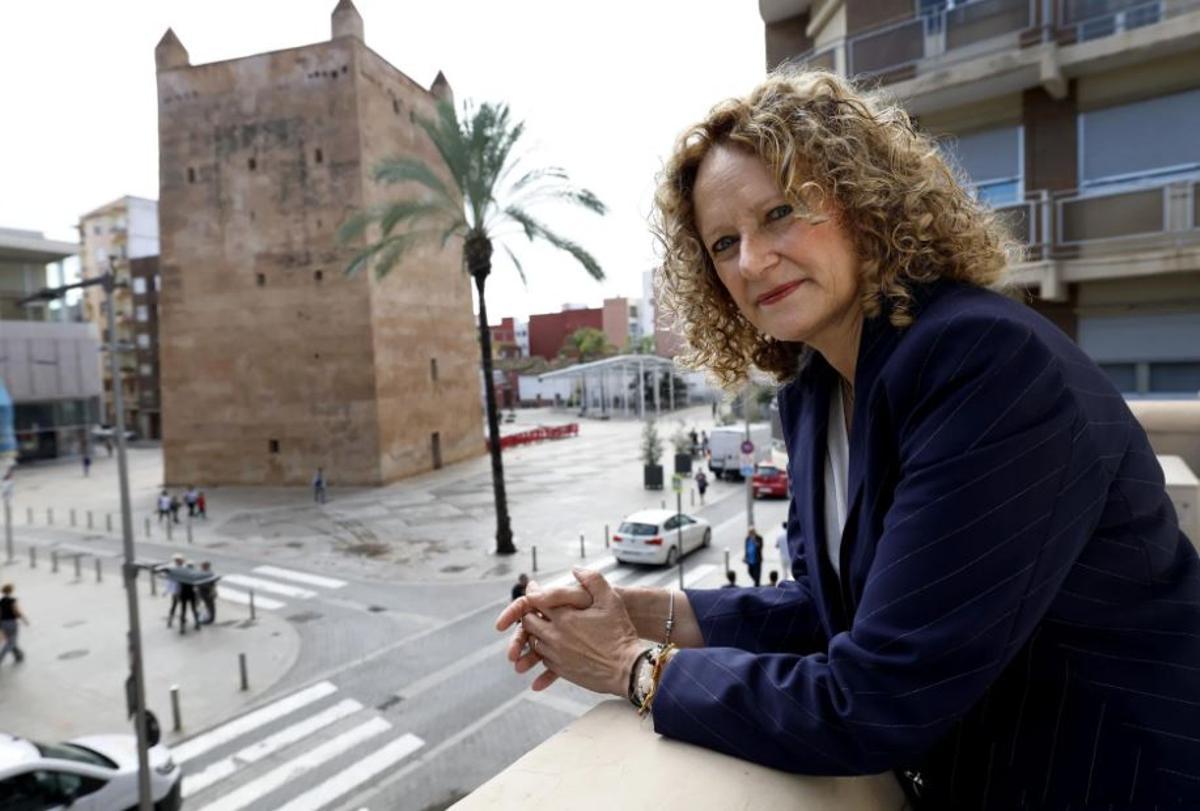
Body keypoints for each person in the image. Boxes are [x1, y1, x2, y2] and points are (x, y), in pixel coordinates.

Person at [495, 69, 1200, 809]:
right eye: (724, 242)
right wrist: (656, 611)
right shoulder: (815, 394)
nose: (751, 261)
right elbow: (842, 609)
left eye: (781, 212)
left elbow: (879, 696)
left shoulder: (985, 364)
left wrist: (631, 664)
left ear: (864, 201)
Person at [0, 583, 29, 664]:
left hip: (3, 623)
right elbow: (16, 611)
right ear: (10, 591)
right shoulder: (12, 600)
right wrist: (24, 620)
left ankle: (18, 655)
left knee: (11, 640)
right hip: (11, 623)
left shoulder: (1, 601)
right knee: (11, 642)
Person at [177, 564, 202, 634]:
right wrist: (198, 597)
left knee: (183, 610)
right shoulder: (193, 576)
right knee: (194, 609)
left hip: (183, 594)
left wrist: (178, 595)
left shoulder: (182, 576)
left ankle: (182, 628)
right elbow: (196, 587)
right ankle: (197, 624)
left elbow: (179, 586)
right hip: (191, 594)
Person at [164, 554, 185, 628]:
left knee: (181, 606)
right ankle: (170, 620)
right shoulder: (174, 569)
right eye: (177, 560)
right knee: (174, 606)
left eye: (180, 560)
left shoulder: (183, 568)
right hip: (176, 591)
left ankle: (181, 620)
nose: (179, 561)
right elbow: (169, 581)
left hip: (182, 591)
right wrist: (166, 591)